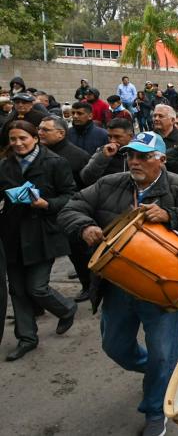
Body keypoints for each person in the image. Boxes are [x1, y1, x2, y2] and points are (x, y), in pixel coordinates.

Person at [58, 131, 178, 436]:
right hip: (119, 284)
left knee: (162, 353)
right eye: (131, 155)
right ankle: (157, 374)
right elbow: (71, 207)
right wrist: (85, 226)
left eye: (144, 156)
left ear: (162, 160)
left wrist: (171, 214)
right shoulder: (109, 183)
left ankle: (155, 411)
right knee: (115, 346)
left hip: (163, 288)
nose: (135, 161)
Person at [0, 121, 78, 361]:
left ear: (35, 138)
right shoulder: (4, 165)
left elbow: (71, 196)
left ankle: (66, 308)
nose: (18, 143)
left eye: (23, 138)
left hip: (43, 233)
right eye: (13, 139)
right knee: (17, 290)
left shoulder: (55, 162)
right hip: (11, 234)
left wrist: (47, 204)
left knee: (36, 287)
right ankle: (27, 338)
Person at [38, 116, 92, 300]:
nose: (40, 133)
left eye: (46, 130)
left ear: (61, 133)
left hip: (72, 212)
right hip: (44, 212)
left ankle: (89, 285)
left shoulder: (78, 156)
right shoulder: (38, 153)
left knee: (78, 253)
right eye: (40, 129)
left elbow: (86, 187)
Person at [80, 118, 135, 185]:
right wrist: (103, 157)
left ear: (131, 136)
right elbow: (86, 179)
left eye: (117, 137)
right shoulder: (103, 151)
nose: (112, 141)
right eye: (109, 137)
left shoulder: (141, 153)